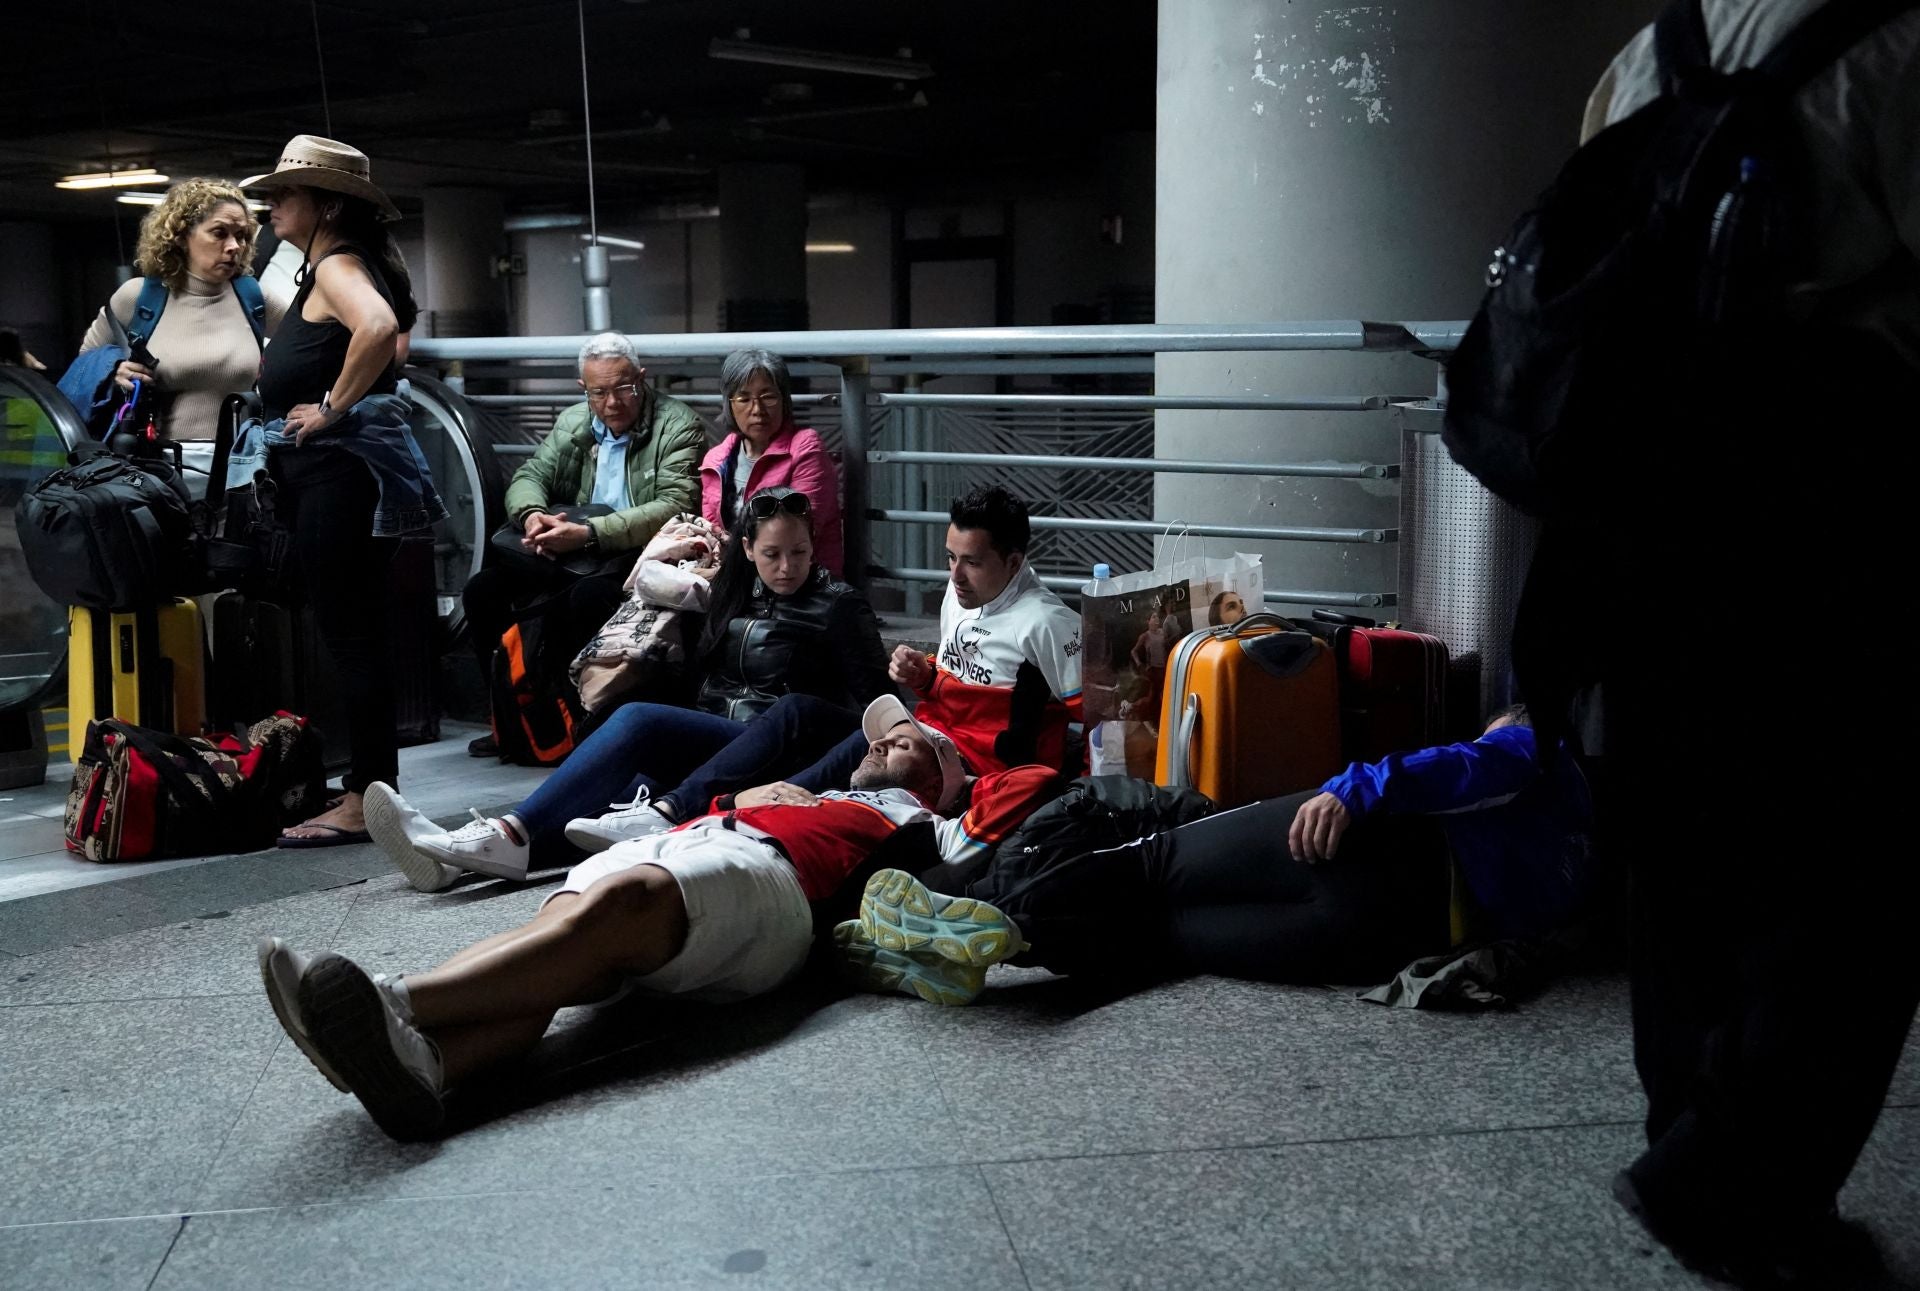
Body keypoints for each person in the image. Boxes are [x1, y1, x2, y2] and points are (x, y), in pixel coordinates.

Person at [1557, 6, 1920, 1287]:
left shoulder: (1658, 47)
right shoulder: (1897, 41)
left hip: (1651, 505)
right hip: (1838, 508)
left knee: (1683, 851)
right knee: (1862, 874)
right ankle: (1728, 1176)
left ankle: (1701, 1146)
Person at [257, 695, 1059, 1141]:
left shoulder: (926, 824)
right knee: (562, 946)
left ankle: (391, 1005)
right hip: (699, 841)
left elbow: (1032, 789)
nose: (883, 742)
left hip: (775, 886)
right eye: (883, 736)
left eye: (909, 741)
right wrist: (744, 796)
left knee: (616, 911)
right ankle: (423, 1068)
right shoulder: (818, 788)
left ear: (950, 776)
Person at [836, 707, 1596, 1006]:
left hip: (1369, 848)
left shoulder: (1549, 751)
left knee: (1155, 862)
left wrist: (1353, 788)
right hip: (1394, 938)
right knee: (1165, 937)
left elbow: (1469, 764)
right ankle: (987, 947)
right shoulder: (1608, 872)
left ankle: (991, 926)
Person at [365, 486, 890, 890]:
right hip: (721, 737)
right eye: (772, 553)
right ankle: (476, 853)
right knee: (600, 806)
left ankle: (504, 836)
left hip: (777, 744)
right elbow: (689, 663)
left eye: (798, 553)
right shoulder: (735, 592)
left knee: (639, 722)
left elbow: (873, 707)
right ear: (748, 549)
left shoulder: (838, 604)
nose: (787, 566)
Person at [242, 135, 447, 847]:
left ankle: (365, 796)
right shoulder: (325, 268)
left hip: (336, 475)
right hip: (330, 476)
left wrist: (330, 407)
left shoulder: (337, 266)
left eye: (284, 194)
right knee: (355, 632)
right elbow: (386, 340)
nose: (271, 205)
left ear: (325, 204)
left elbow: (381, 329)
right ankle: (367, 783)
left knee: (352, 636)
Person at [461, 332, 706, 758]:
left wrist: (593, 534)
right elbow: (530, 474)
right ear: (584, 390)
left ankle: (576, 723)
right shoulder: (574, 422)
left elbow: (674, 504)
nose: (613, 402)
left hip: (635, 554)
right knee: (482, 592)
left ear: (642, 380)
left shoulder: (677, 423)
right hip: (573, 548)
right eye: (599, 392)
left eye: (624, 388)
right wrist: (532, 514)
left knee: (584, 600)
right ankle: (510, 720)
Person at [73, 179, 290, 454]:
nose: (234, 246)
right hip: (155, 469)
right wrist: (113, 372)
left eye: (242, 235)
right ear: (181, 235)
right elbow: (84, 366)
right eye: (219, 233)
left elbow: (311, 349)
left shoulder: (254, 297)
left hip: (238, 466)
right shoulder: (139, 297)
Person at [698, 348, 843, 574]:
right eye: (744, 398)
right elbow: (713, 534)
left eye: (768, 397)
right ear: (729, 404)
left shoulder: (805, 448)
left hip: (796, 580)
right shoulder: (716, 459)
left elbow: (797, 536)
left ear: (784, 400)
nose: (757, 410)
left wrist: (723, 575)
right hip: (732, 578)